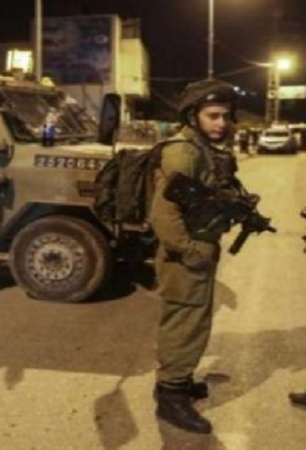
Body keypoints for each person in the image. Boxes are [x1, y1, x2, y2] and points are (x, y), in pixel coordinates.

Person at [149, 79, 248, 434]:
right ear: (194, 115)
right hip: (185, 253)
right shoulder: (183, 152)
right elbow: (163, 215)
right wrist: (191, 254)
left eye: (226, 116)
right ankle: (171, 395)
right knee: (185, 322)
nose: (221, 122)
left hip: (198, 248)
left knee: (194, 320)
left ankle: (179, 379)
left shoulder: (203, 149)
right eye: (213, 115)